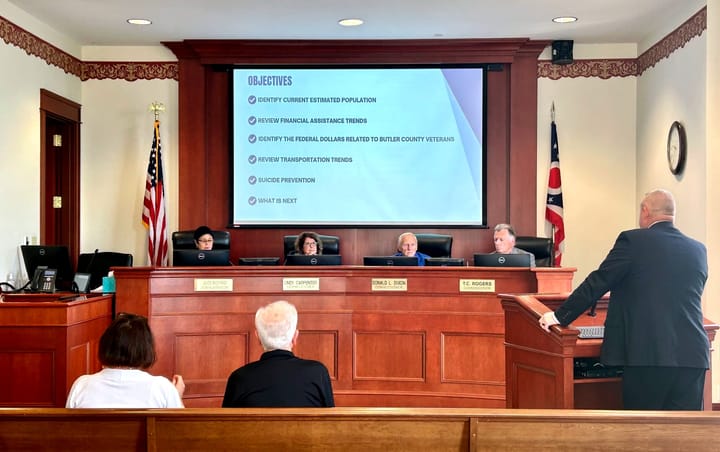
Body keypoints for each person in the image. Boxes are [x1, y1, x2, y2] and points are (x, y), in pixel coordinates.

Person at [539, 189, 709, 410]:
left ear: (645, 211)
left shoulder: (633, 240)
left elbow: (599, 281)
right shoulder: (698, 249)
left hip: (647, 356)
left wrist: (559, 315)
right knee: (683, 436)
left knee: (642, 434)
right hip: (692, 355)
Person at [222, 300, 335, 407]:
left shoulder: (239, 378)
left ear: (258, 338)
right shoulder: (317, 372)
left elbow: (223, 425)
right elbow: (331, 421)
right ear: (295, 337)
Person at [66, 313, 185, 408]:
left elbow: (65, 431)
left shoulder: (82, 385)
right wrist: (175, 396)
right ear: (145, 348)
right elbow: (182, 432)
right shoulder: (162, 388)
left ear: (106, 345)